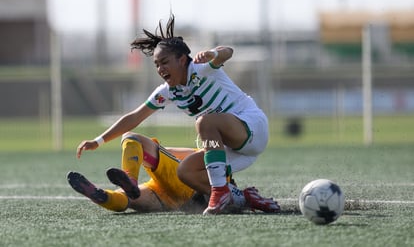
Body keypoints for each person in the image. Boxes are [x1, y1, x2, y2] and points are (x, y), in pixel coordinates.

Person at [75, 13, 278, 214]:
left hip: (252, 128)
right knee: (185, 172)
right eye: (156, 64)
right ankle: (241, 198)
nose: (160, 68)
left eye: (164, 62)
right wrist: (98, 141)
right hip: (227, 149)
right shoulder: (167, 91)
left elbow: (228, 51)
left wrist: (213, 54)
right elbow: (135, 117)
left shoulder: (201, 68)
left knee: (204, 122)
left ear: (182, 60)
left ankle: (219, 191)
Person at [68, 132, 280, 213]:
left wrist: (145, 152)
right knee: (128, 199)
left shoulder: (207, 157)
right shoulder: (220, 164)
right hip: (172, 200)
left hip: (187, 190)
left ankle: (127, 183)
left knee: (132, 138)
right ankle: (104, 196)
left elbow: (162, 152)